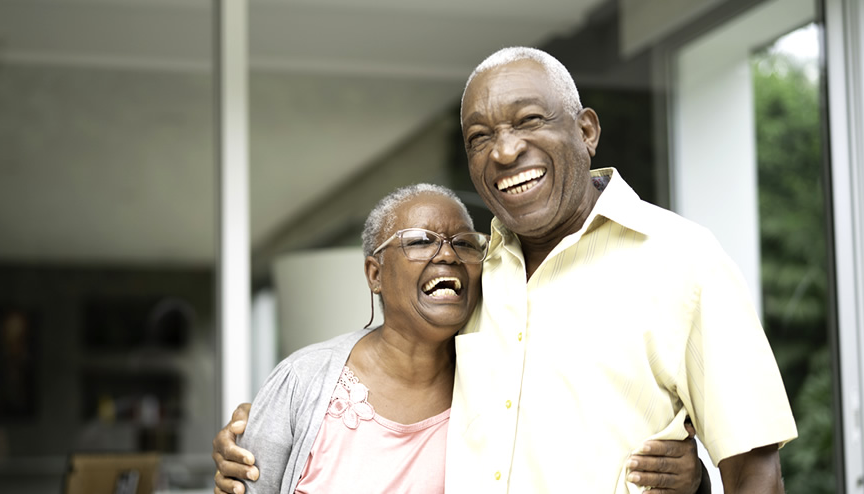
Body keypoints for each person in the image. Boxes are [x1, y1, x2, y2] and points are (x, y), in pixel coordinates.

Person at [217, 45, 793, 492]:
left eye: (529, 120)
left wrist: (693, 481)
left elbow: (755, 472)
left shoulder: (683, 260)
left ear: (586, 131)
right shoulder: (474, 273)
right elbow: (393, 370)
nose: (505, 151)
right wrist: (271, 425)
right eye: (480, 137)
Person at [235, 184, 485, 493]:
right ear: (375, 274)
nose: (448, 254)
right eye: (421, 240)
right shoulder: (301, 380)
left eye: (464, 243)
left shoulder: (498, 391)